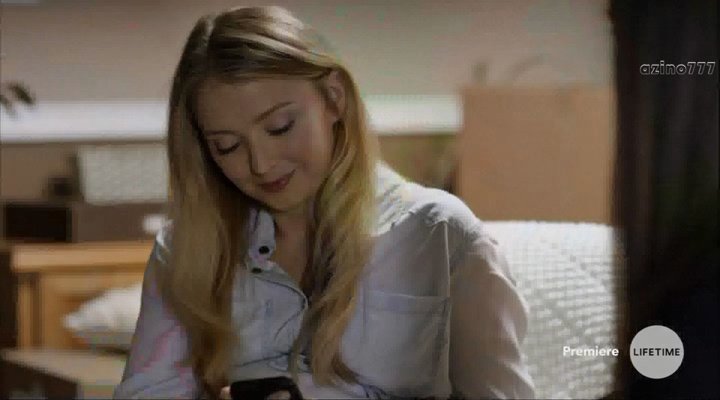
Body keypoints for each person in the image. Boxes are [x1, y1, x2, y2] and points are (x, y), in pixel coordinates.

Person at [113, 5, 534, 399]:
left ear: (334, 98)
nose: (261, 164)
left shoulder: (439, 234)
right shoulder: (186, 249)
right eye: (227, 146)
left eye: (280, 127)